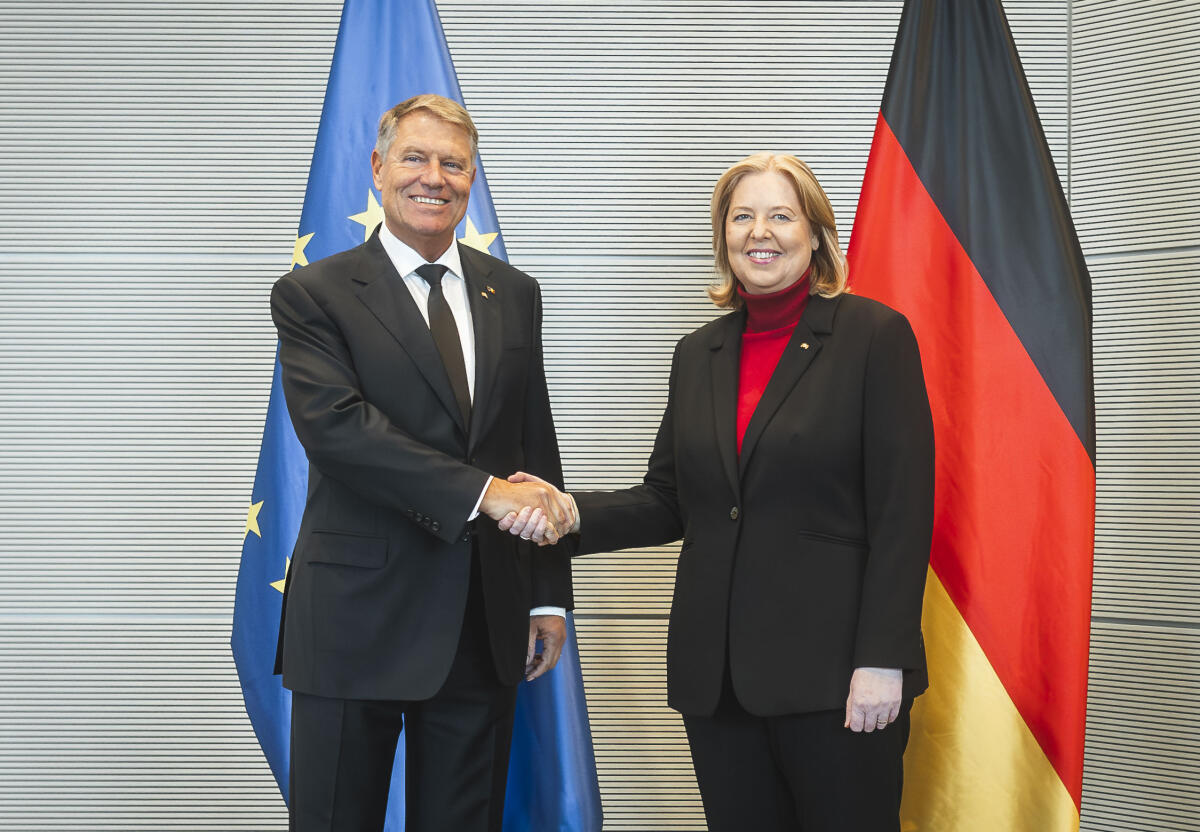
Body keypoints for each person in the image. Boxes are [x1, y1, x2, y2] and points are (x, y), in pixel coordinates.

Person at [504, 152, 934, 831]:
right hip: (720, 684)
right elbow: (669, 498)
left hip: (839, 680)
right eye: (742, 217)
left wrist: (883, 659)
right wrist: (568, 511)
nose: (760, 232)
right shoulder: (697, 353)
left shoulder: (874, 337)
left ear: (816, 235)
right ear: (724, 235)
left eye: (781, 215)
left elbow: (903, 514)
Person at [270, 94, 577, 832]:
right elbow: (340, 432)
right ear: (378, 169)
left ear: (471, 179)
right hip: (353, 621)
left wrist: (545, 595)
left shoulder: (515, 293)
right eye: (415, 157)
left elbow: (534, 446)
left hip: (482, 616)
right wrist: (485, 494)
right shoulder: (314, 293)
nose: (433, 177)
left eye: (453, 163)